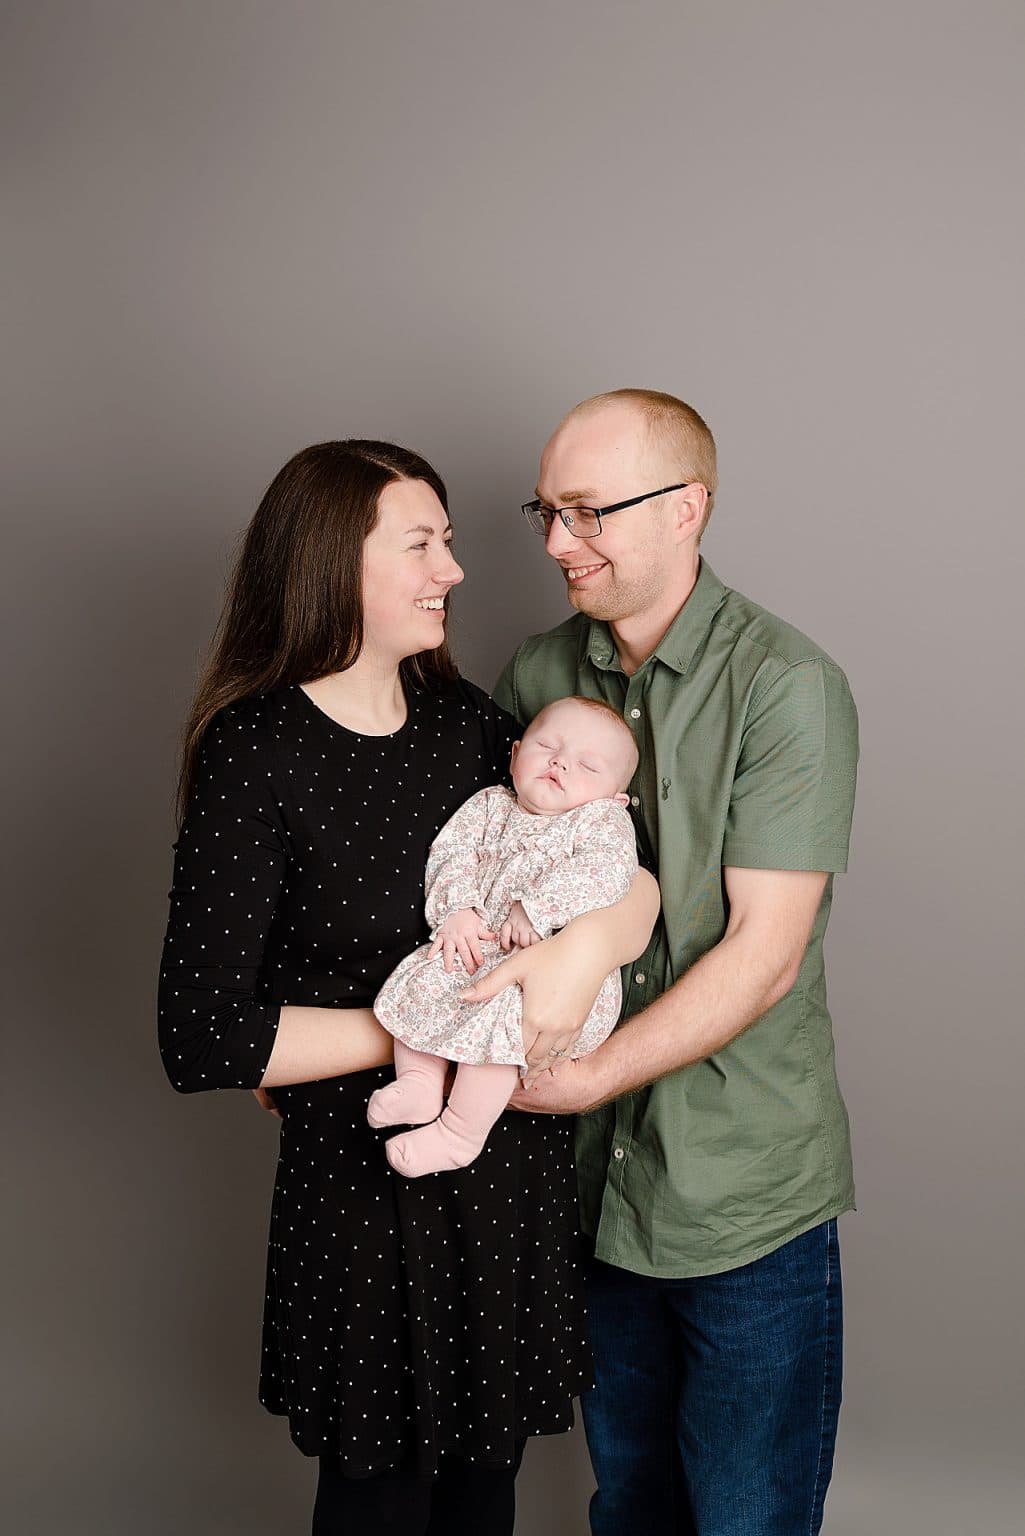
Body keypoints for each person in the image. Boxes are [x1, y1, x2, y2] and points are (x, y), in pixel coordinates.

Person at [156, 439, 658, 1536]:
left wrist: (591, 943)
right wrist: (418, 1029)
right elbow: (203, 1037)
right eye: (422, 543)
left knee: (486, 1497)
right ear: (334, 562)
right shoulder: (256, 750)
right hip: (363, 1188)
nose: (455, 570)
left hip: (506, 1169)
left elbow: (606, 869)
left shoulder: (472, 725)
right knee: (377, 1502)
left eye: (450, 542)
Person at [467, 389, 859, 1536]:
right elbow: (479, 882)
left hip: (742, 1194)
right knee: (628, 1502)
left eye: (586, 512)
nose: (552, 543)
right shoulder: (533, 676)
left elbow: (764, 955)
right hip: (588, 1190)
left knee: (746, 1518)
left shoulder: (785, 687)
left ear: (686, 508)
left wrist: (587, 1078)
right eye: (545, 510)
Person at [370, 695, 640, 1177]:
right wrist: (457, 911)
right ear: (514, 755)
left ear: (616, 796)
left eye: (587, 765)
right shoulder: (489, 806)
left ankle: (460, 1134)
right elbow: (452, 855)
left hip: (559, 982)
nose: (560, 762)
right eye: (547, 746)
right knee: (428, 973)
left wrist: (537, 909)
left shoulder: (601, 822)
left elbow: (609, 872)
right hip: (483, 948)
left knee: (502, 1021)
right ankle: (418, 1082)